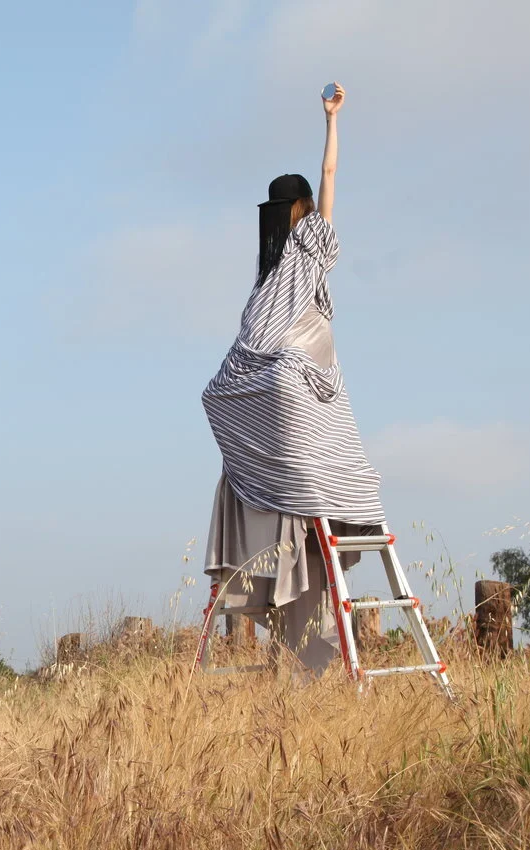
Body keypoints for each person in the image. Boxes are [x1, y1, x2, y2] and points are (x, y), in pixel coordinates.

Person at [200, 82, 383, 678]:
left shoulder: (278, 268)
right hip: (294, 385)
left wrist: (331, 121)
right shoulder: (295, 256)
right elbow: (330, 176)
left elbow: (327, 176)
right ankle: (288, 486)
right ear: (301, 210)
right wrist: (332, 121)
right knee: (257, 405)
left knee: (241, 408)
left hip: (278, 381)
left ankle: (279, 486)